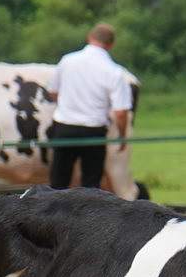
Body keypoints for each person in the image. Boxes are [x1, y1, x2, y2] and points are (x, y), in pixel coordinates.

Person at [48, 23, 132, 189]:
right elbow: (121, 112)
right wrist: (122, 137)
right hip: (94, 131)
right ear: (111, 45)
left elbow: (52, 91)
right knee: (91, 184)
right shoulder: (114, 71)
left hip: (64, 127)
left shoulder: (67, 61)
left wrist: (67, 104)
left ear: (89, 38)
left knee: (58, 181)